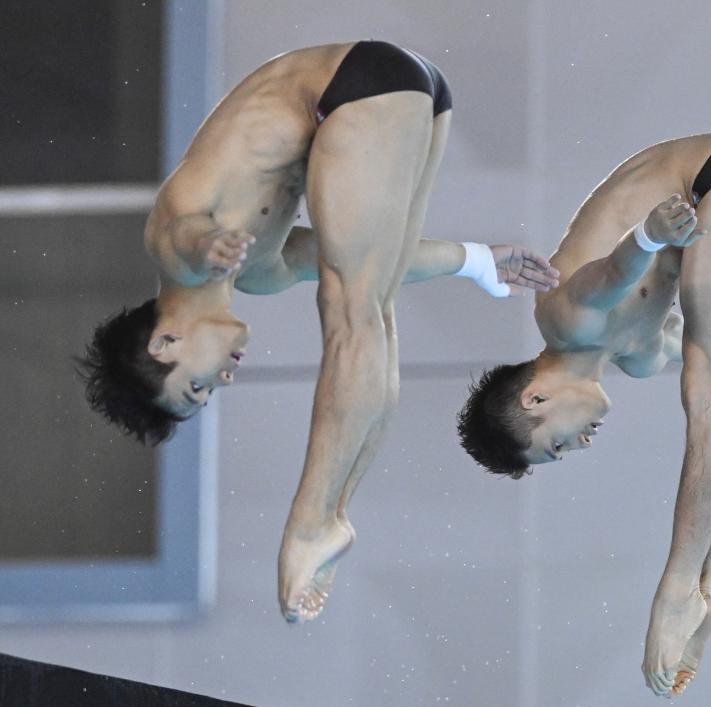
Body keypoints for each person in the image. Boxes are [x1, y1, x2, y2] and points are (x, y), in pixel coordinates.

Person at [78, 41, 559, 624]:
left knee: (350, 312)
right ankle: (334, 513)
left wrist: (209, 244)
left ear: (165, 344)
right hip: (411, 95)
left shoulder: (176, 255)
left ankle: (308, 524)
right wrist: (476, 261)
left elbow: (182, 229)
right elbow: (369, 255)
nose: (224, 381)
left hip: (350, 86)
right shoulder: (259, 273)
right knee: (373, 307)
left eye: (197, 386)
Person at [457, 130, 711, 697]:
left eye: (557, 444)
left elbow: (607, 277)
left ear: (535, 399)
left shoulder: (561, 321)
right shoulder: (641, 356)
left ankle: (674, 592)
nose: (580, 446)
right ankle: (704, 585)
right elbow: (701, 346)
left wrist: (647, 235)